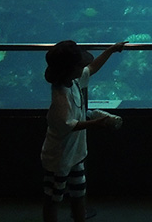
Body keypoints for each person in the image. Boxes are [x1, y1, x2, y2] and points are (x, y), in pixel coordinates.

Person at [41, 39, 126, 222]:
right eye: (80, 65)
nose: (84, 67)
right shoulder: (60, 95)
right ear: (70, 69)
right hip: (59, 158)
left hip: (76, 155)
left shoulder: (74, 80)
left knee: (79, 194)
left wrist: (110, 50)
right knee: (53, 198)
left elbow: (93, 67)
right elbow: (67, 124)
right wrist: (96, 123)